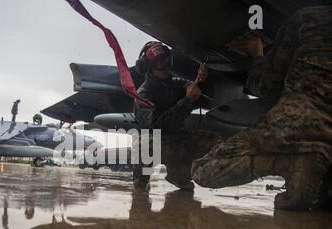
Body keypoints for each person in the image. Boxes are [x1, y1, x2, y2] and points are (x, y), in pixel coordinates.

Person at [191, 5, 332, 210]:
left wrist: (257, 54)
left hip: (298, 121)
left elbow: (266, 85)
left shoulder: (309, 17)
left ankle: (288, 164)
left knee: (202, 171)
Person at [133, 41, 219, 190]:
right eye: (160, 64)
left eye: (167, 62)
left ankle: (178, 174)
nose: (166, 67)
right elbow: (157, 126)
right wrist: (186, 101)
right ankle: (141, 179)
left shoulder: (176, 84)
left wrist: (202, 81)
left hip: (177, 139)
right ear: (148, 67)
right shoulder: (143, 95)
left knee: (212, 141)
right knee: (145, 144)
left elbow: (196, 90)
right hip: (157, 139)